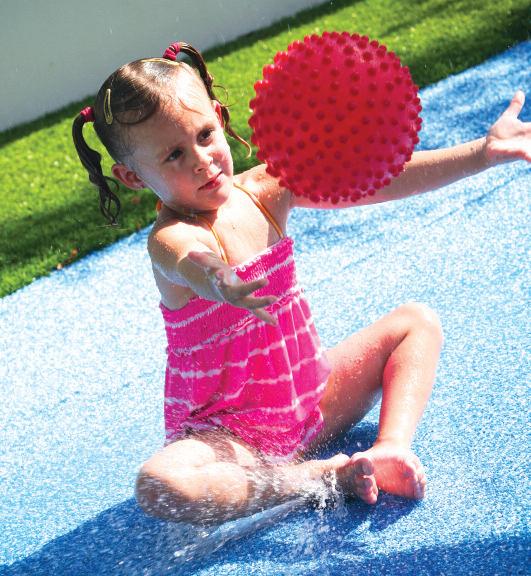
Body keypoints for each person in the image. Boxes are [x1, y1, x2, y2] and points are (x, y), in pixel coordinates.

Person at [72, 41, 530, 526]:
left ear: (220, 117)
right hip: (233, 441)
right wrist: (219, 279)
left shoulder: (266, 191)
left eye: (205, 135)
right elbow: (190, 260)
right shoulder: (170, 236)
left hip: (313, 402)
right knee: (159, 485)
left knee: (417, 323)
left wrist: (480, 154)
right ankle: (309, 479)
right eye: (174, 155)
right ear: (132, 176)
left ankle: (390, 448)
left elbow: (373, 181)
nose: (202, 160)